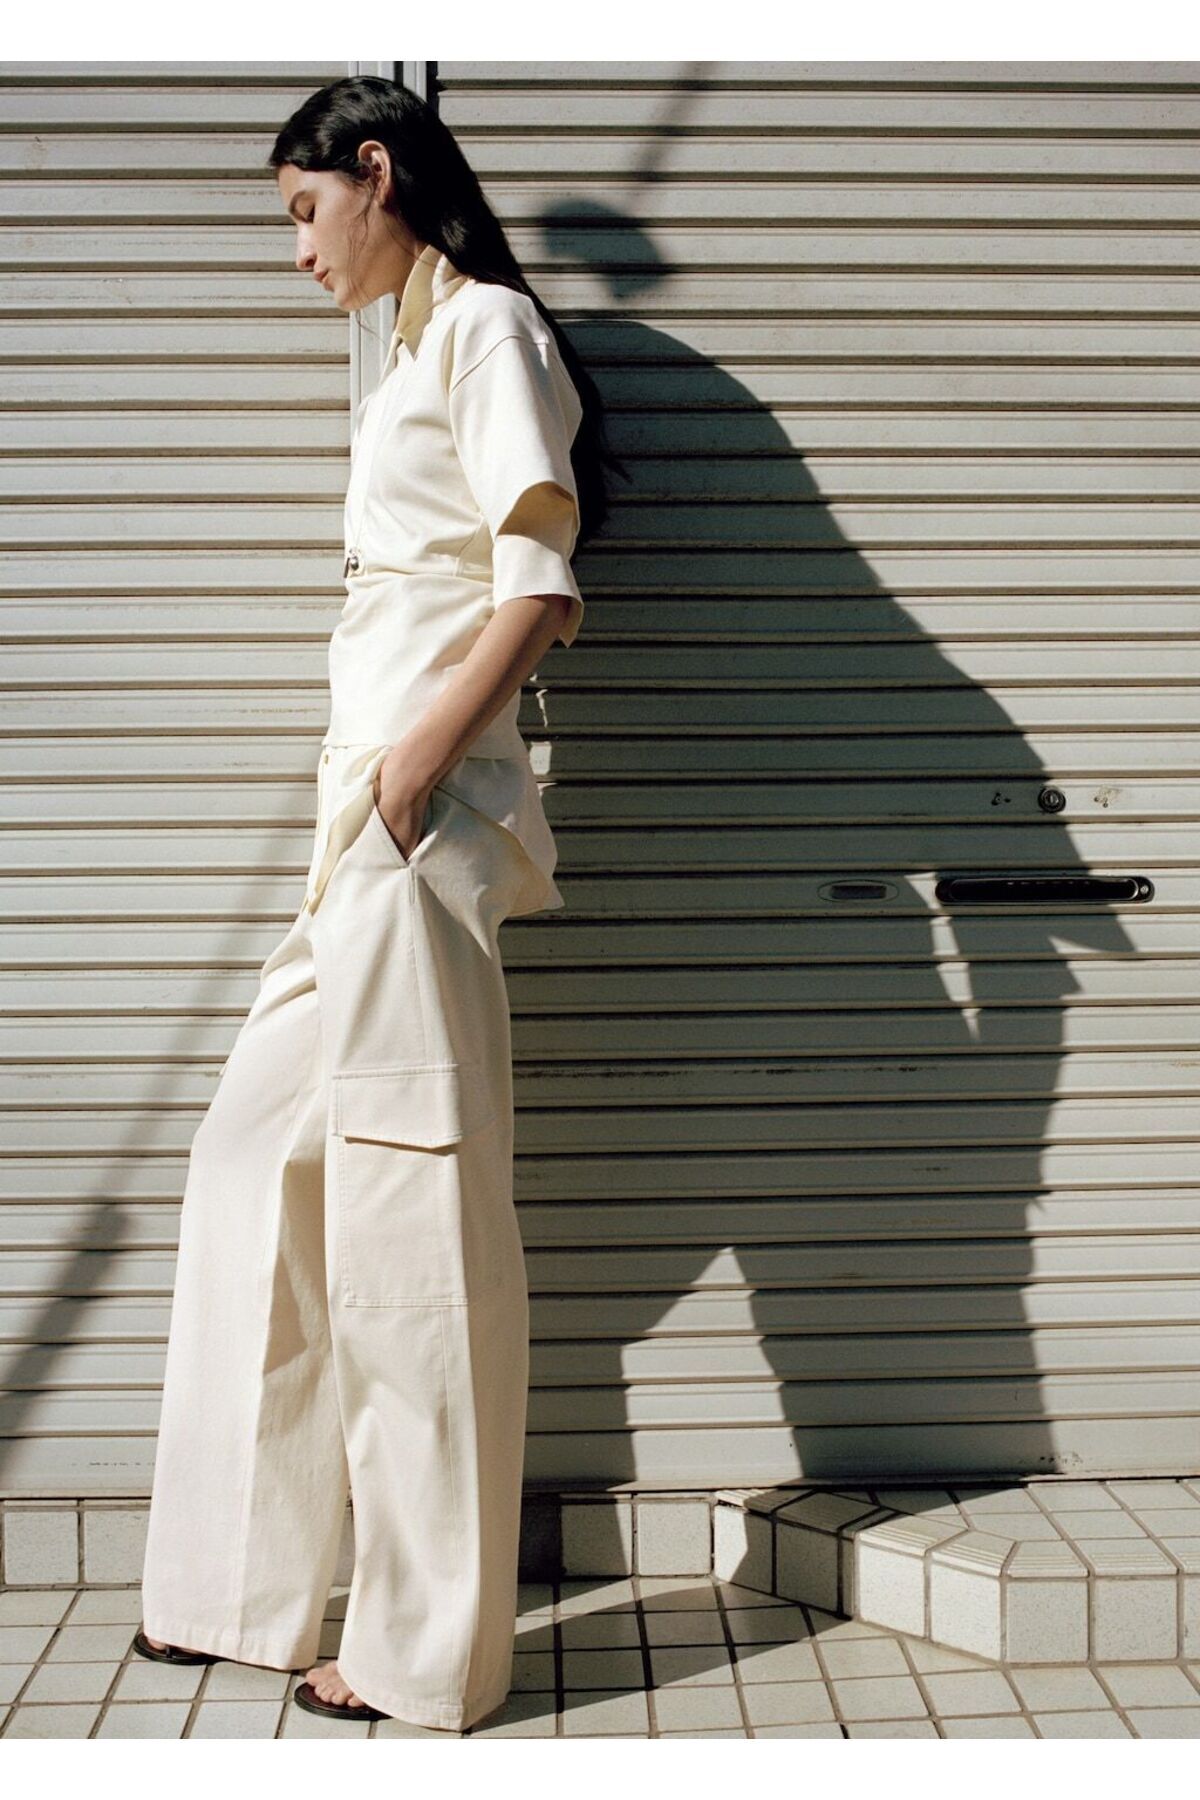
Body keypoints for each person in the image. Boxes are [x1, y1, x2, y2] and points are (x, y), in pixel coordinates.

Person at [135, 74, 623, 1731]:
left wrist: (417, 767)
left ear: (375, 170)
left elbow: (537, 585)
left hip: (415, 825)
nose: (299, 253)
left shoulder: (487, 331)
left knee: (414, 1230)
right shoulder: (408, 353)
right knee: (247, 1169)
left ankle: (427, 1656)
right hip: (360, 832)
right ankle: (241, 1591)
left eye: (302, 212)